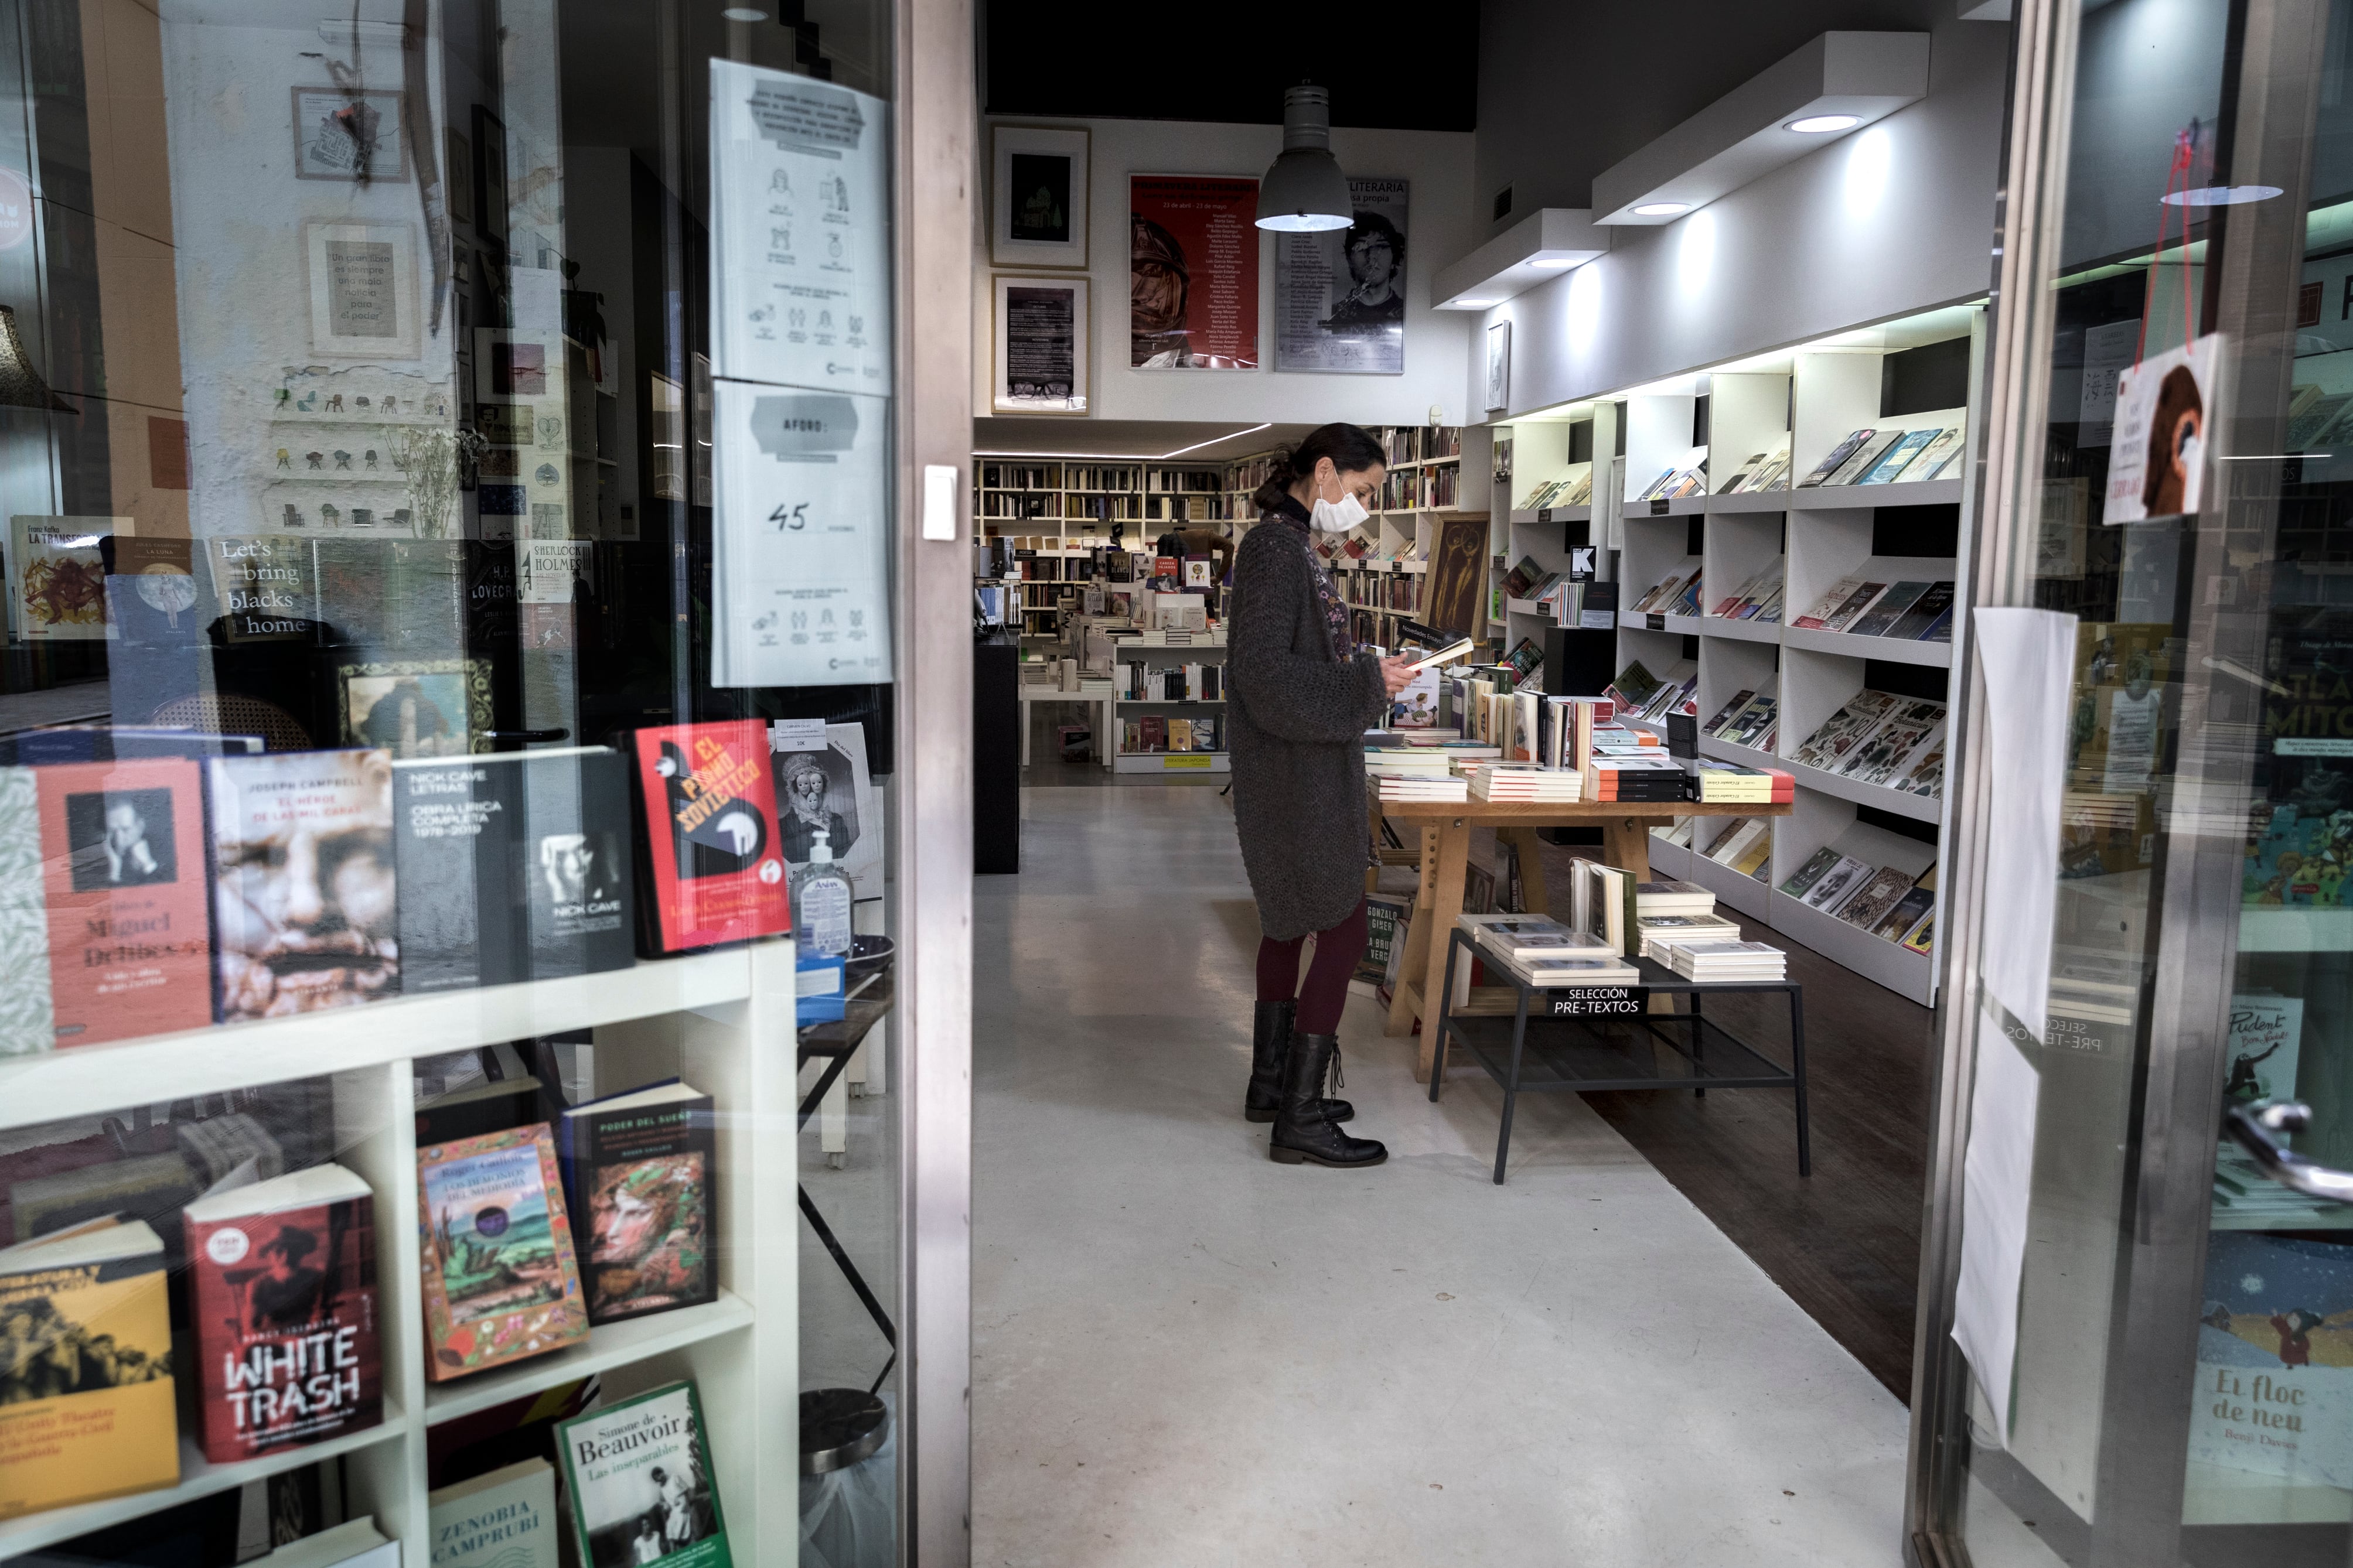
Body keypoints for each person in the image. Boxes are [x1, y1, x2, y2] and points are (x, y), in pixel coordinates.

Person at [1227, 423, 1417, 1169]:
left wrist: (1366, 671)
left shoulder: (1284, 543)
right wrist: (1370, 682)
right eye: (1363, 491)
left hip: (1289, 768)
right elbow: (1265, 676)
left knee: (1285, 923)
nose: (1363, 507)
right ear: (1327, 471)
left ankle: (1272, 1084)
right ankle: (1299, 1119)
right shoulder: (1277, 551)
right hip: (1294, 773)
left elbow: (1284, 663)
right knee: (1340, 922)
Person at [1322, 211, 1406, 333]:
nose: (1371, 256)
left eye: (1381, 247)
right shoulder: (1333, 316)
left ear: (1394, 257)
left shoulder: (1407, 314)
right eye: (1361, 248)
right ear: (1349, 258)